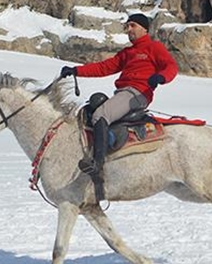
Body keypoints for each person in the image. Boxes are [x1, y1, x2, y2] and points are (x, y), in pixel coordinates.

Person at [59, 13, 178, 199]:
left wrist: (161, 77)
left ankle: (97, 165)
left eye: (132, 26)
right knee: (94, 106)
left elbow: (171, 66)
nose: (128, 30)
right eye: (127, 26)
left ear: (144, 28)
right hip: (123, 93)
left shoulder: (153, 47)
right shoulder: (127, 53)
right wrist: (76, 71)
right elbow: (103, 67)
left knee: (101, 115)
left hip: (137, 93)